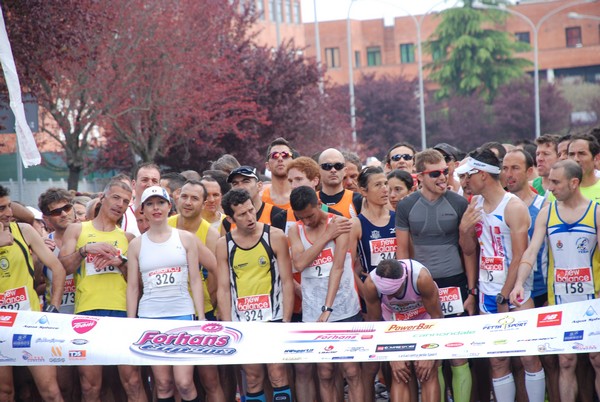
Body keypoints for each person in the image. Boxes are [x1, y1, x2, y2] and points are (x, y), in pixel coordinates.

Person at [458, 149, 545, 402]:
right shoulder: (474, 204)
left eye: (467, 176)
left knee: (528, 356)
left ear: (482, 175)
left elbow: (520, 255)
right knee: (497, 360)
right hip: (487, 289)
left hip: (516, 290)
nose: (463, 182)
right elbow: (469, 250)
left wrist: (505, 295)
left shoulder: (513, 206)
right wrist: (464, 229)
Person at [510, 159, 600, 402]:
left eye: (556, 182)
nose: (549, 187)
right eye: (549, 181)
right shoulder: (548, 212)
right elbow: (531, 251)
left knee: (597, 359)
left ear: (574, 183)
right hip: (560, 299)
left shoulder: (596, 211)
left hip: (592, 299)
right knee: (566, 361)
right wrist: (519, 282)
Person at [395, 149, 476, 402]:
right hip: (422, 286)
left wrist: (471, 291)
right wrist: (405, 293)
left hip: (455, 282)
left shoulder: (458, 202)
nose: (443, 177)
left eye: (446, 171)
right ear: (419, 176)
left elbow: (470, 252)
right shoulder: (406, 205)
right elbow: (402, 252)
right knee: (432, 355)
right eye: (435, 173)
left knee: (458, 354)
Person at [59, 179, 146, 402]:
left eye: (126, 201)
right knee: (90, 386)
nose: (120, 204)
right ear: (103, 198)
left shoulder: (128, 238)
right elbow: (64, 268)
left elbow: (140, 283)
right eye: (116, 197)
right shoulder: (77, 229)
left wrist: (121, 263)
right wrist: (86, 250)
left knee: (133, 382)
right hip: (87, 313)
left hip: (122, 313)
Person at [126, 186, 204, 402]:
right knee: (163, 384)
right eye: (149, 204)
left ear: (169, 206)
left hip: (182, 315)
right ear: (143, 210)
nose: (156, 208)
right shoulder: (136, 245)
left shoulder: (186, 239)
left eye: (160, 202)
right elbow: (133, 287)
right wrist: (131, 321)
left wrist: (201, 316)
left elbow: (195, 280)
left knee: (185, 384)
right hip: (150, 318)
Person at [216, 189, 294, 402]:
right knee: (252, 377)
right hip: (243, 322)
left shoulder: (275, 236)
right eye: (242, 214)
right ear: (230, 219)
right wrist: (228, 325)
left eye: (251, 210)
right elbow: (223, 288)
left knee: (277, 373)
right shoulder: (224, 244)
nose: (250, 217)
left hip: (274, 317)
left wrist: (286, 320)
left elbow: (287, 281)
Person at [288, 186, 364, 402]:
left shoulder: (338, 223)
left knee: (351, 370)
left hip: (343, 306)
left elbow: (338, 268)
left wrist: (328, 308)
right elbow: (300, 263)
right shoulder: (296, 230)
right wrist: (325, 237)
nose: (307, 221)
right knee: (325, 371)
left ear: (317, 205)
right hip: (313, 312)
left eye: (310, 215)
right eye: (301, 217)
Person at [0, 185, 66, 402]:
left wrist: (54, 306)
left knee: (51, 391)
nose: (8, 212)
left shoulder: (23, 231)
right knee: (5, 392)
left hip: (29, 323)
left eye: (9, 206)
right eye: (2, 208)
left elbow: (57, 268)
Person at [362, 258, 443, 402]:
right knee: (400, 373)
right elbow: (375, 323)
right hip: (393, 324)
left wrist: (431, 353)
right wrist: (392, 355)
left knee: (427, 372)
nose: (391, 296)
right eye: (386, 293)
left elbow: (437, 316)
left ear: (404, 279)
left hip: (424, 321)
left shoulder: (421, 278)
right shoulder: (370, 284)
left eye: (394, 291)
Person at [348, 166, 396, 402]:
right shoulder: (357, 224)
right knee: (371, 361)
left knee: (398, 362)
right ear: (363, 191)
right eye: (378, 185)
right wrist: (366, 291)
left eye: (385, 183)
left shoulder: (398, 218)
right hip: (373, 301)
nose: (385, 189)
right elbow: (348, 265)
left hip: (399, 297)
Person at [225, 166, 287, 232]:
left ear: (259, 186)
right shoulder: (229, 220)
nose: (240, 187)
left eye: (246, 181)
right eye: (235, 183)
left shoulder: (277, 215)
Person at [317, 148, 362, 218]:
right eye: (327, 166)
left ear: (344, 170)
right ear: (318, 171)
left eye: (338, 166)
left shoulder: (359, 200)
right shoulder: (310, 201)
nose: (333, 170)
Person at [122, 163, 161, 236]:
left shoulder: (166, 215)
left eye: (154, 181)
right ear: (133, 184)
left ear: (159, 185)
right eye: (144, 180)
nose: (150, 184)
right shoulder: (123, 214)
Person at [262, 137, 295, 209]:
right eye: (274, 155)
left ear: (293, 162)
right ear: (267, 166)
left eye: (285, 155)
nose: (280, 159)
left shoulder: (303, 197)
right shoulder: (258, 198)